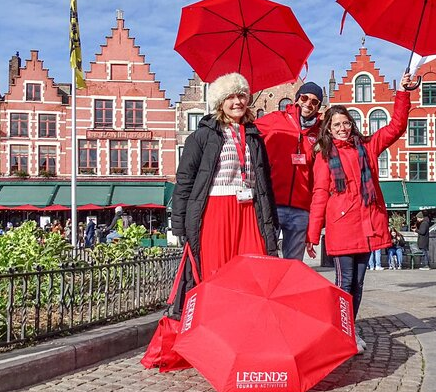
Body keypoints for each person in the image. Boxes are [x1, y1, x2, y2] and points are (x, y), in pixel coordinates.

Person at [305, 72, 416, 353]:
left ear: (351, 125)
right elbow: (319, 194)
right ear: (328, 130)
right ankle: (340, 332)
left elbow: (397, 126)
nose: (342, 128)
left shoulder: (368, 147)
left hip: (369, 225)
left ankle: (349, 330)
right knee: (344, 283)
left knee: (359, 283)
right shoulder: (325, 156)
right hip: (343, 227)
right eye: (336, 125)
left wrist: (403, 93)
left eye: (345, 123)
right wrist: (313, 232)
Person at [171, 72, 279, 316]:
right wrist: (179, 226)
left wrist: (273, 219)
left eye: (241, 95)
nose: (237, 101)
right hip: (215, 212)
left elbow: (264, 182)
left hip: (250, 211)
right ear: (220, 102)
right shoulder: (201, 136)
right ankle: (215, 326)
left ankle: (246, 330)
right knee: (216, 271)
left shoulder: (254, 137)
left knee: (253, 273)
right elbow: (185, 182)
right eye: (230, 96)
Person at [255, 82, 323, 261]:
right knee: (266, 258)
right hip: (273, 203)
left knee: (294, 265)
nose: (309, 103)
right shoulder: (276, 119)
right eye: (305, 98)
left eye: (315, 102)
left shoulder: (321, 131)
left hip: (301, 208)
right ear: (297, 99)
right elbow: (247, 131)